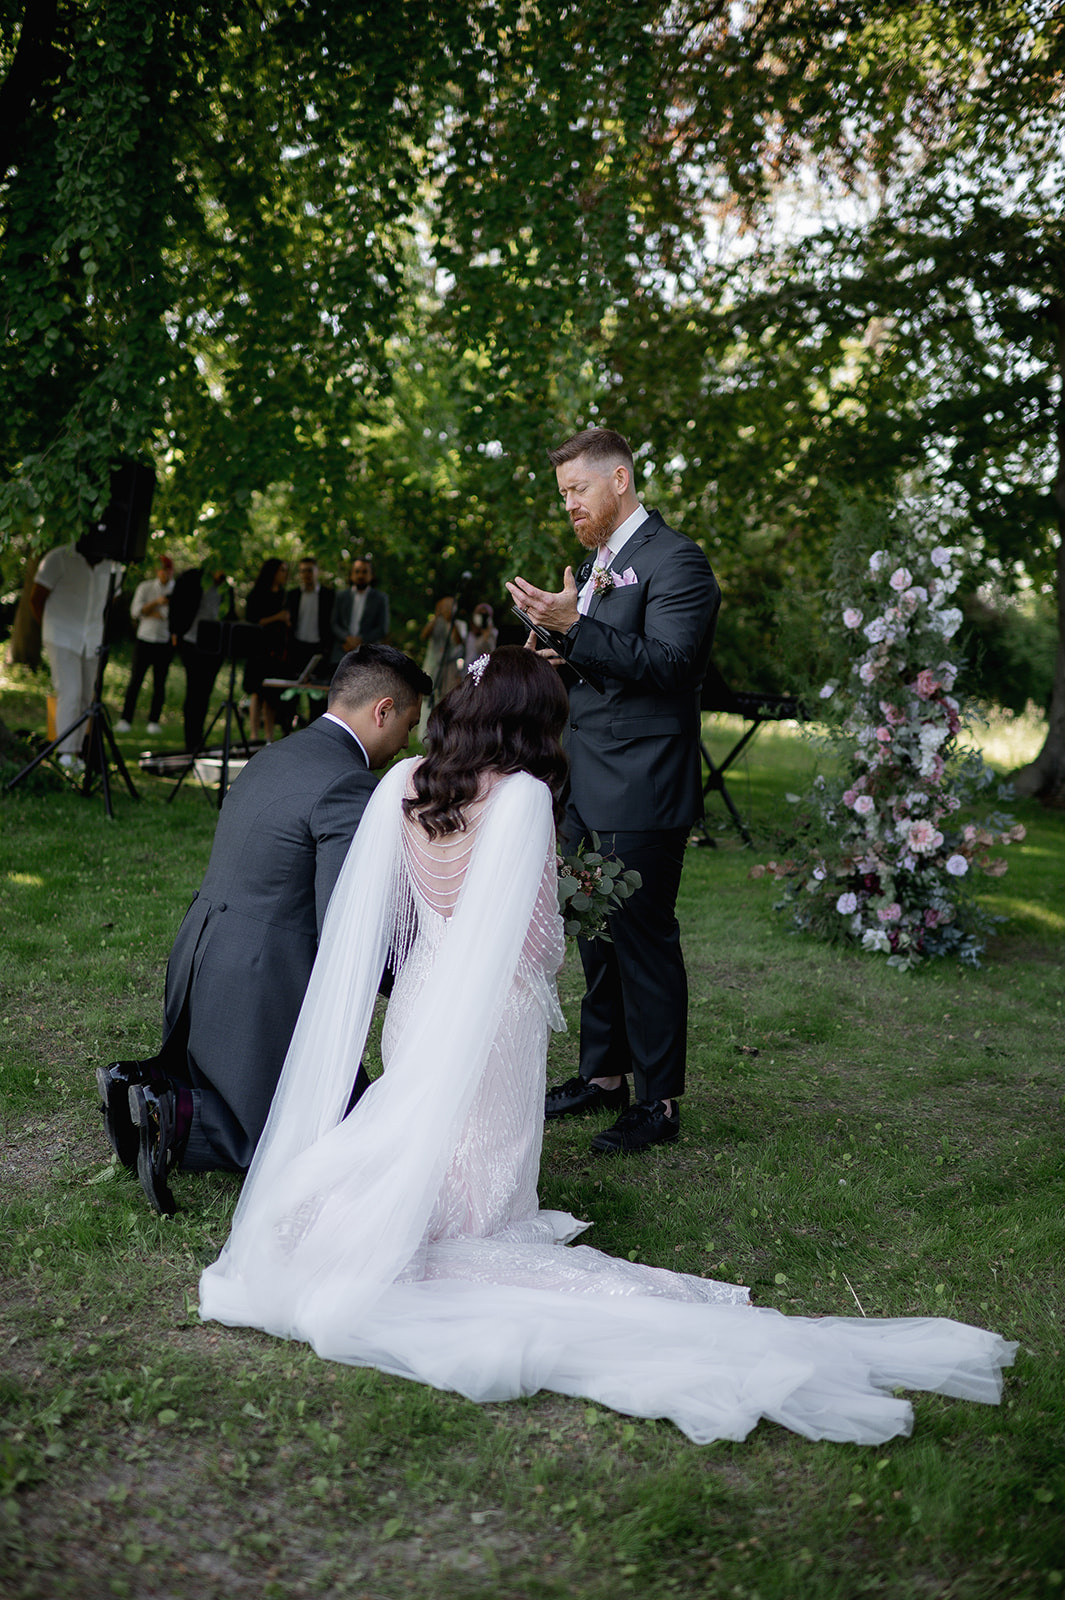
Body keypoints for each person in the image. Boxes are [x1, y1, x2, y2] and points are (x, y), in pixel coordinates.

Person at [197, 647, 1015, 1448]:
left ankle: (409, 1210)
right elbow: (538, 942)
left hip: (417, 991)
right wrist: (571, 912)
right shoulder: (518, 797)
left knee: (427, 1111)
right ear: (530, 721)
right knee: (480, 1134)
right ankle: (470, 1225)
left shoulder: (402, 784)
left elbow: (382, 913)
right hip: (494, 1004)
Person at [96, 644, 432, 1215]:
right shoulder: (349, 786)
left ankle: (140, 1085)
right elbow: (344, 923)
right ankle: (170, 1115)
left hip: (203, 955)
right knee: (309, 1139)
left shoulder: (276, 753)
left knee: (328, 1112)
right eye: (409, 723)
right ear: (382, 710)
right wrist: (409, 983)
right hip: (261, 978)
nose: (409, 742)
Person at [506, 427, 719, 1155]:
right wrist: (557, 645)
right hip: (585, 774)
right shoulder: (603, 564)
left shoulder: (676, 561)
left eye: (577, 489)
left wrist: (575, 628)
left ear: (620, 479)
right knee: (594, 932)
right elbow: (609, 664)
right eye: (563, 492)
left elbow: (669, 664)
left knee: (641, 936)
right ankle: (602, 1077)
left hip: (642, 780)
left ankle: (658, 1101)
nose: (567, 503)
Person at [30, 534, 125, 770]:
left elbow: (111, 602)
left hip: (91, 639)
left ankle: (78, 753)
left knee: (86, 698)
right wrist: (50, 629)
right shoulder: (58, 558)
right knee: (70, 693)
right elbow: (36, 599)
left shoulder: (113, 568)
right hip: (61, 636)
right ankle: (65, 753)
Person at [169, 563, 234, 752]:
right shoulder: (192, 578)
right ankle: (191, 740)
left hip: (214, 647)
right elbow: (177, 603)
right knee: (194, 691)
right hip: (192, 641)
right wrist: (174, 631)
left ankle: (199, 739)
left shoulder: (226, 587)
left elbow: (228, 614)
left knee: (204, 693)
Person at [116, 554, 174, 734]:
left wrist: (153, 612)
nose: (165, 573)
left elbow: (170, 616)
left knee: (159, 684)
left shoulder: (176, 590)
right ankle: (126, 719)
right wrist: (155, 604)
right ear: (158, 571)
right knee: (135, 681)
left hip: (164, 641)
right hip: (145, 639)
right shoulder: (146, 587)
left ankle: (154, 721)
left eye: (168, 569)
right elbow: (136, 612)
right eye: (162, 569)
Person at [242, 558, 290, 742]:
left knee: (271, 694)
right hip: (258, 648)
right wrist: (277, 617)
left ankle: (269, 736)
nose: (284, 575)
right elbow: (253, 619)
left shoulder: (284, 595)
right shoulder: (257, 593)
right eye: (282, 570)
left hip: (276, 651)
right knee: (257, 692)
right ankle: (254, 734)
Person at [330, 556, 390, 664]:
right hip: (342, 652)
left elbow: (382, 628)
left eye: (365, 572)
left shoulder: (380, 598)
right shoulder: (341, 596)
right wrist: (347, 638)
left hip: (369, 656)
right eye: (357, 571)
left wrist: (360, 641)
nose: (360, 575)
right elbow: (334, 623)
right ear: (351, 574)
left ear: (371, 575)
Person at [286, 555, 334, 679]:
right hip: (297, 646)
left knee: (317, 693)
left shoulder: (328, 595)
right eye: (303, 571)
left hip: (319, 648)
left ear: (317, 572)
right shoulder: (292, 595)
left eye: (310, 570)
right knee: (292, 691)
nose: (306, 574)